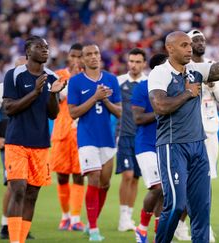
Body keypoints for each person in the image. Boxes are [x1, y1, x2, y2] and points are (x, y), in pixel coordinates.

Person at [148, 4, 219, 243]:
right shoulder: (159, 73)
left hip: (198, 145)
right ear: (169, 48)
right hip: (173, 145)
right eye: (184, 45)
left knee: (202, 207)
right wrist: (187, 93)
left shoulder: (196, 69)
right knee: (175, 204)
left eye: (190, 45)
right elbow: (159, 106)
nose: (189, 48)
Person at [3, 36, 65, 243]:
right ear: (28, 52)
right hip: (17, 141)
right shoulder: (14, 75)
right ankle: (14, 240)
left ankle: (20, 239)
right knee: (18, 189)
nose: (46, 50)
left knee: (31, 194)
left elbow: (53, 114)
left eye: (47, 47)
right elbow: (9, 108)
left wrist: (51, 95)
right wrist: (36, 92)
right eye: (40, 47)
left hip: (40, 144)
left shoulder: (52, 76)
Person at [67, 43, 122, 242]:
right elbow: (73, 113)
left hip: (107, 138)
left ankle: (91, 223)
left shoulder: (111, 79)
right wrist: (95, 97)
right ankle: (95, 230)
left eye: (96, 53)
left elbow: (120, 112)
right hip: (87, 138)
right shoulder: (75, 82)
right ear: (82, 59)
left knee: (105, 184)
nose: (93, 57)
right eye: (88, 54)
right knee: (94, 179)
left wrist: (105, 100)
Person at [184, 29, 219, 242]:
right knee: (185, 182)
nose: (200, 42)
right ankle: (182, 222)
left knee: (206, 180)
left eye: (202, 39)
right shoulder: (182, 68)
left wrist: (211, 82)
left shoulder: (214, 67)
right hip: (188, 131)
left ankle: (202, 226)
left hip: (210, 131)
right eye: (195, 40)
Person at [0, 56, 28, 239]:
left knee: (26, 187)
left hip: (30, 142)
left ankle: (20, 226)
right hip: (10, 142)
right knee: (13, 184)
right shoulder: (2, 88)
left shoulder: (34, 86)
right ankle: (5, 225)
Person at [131, 53, 168, 243]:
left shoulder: (172, 88)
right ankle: (142, 227)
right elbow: (137, 118)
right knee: (157, 187)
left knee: (165, 191)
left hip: (167, 144)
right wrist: (163, 108)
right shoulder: (141, 88)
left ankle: (157, 235)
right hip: (146, 145)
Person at [49, 43, 85, 231]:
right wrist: (59, 92)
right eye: (74, 55)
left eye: (80, 56)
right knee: (62, 176)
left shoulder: (88, 78)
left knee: (79, 175)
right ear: (69, 56)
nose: (76, 59)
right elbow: (50, 101)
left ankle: (76, 217)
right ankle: (64, 217)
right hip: (62, 131)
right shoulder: (58, 75)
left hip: (81, 133)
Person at [116, 48, 147, 232]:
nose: (134, 65)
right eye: (131, 61)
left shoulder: (147, 83)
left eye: (137, 62)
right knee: (127, 175)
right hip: (124, 135)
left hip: (142, 137)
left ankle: (128, 215)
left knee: (135, 177)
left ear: (143, 63)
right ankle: (123, 216)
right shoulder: (119, 82)